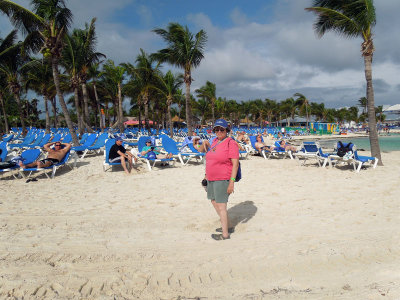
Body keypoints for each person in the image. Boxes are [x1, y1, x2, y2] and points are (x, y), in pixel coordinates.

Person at [197, 119, 239, 241]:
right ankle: (227, 226)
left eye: (222, 129)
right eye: (217, 129)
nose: (219, 131)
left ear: (227, 130)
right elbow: (201, 150)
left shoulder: (231, 143)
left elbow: (235, 164)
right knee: (214, 201)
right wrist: (202, 143)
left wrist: (231, 182)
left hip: (223, 178)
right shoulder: (214, 141)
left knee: (221, 206)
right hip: (211, 178)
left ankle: (225, 234)